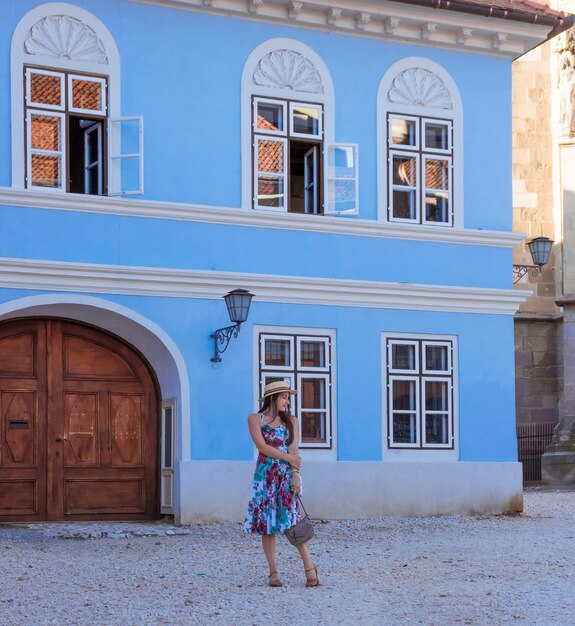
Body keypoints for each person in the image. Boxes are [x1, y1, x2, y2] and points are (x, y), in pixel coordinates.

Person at [243, 380, 319, 588]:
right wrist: (289, 458)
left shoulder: (291, 421)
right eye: (284, 397)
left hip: (285, 476)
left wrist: (295, 474)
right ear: (273, 398)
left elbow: (294, 450)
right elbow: (262, 447)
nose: (287, 401)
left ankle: (309, 568)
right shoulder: (254, 419)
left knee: (293, 520)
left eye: (288, 397)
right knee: (268, 525)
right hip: (265, 476)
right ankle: (273, 572)